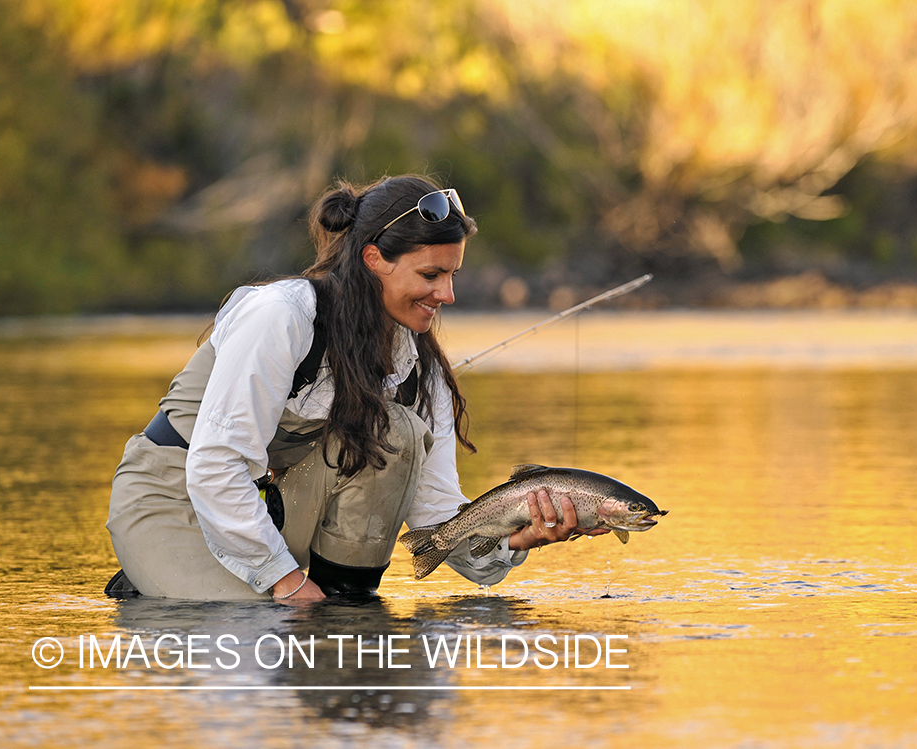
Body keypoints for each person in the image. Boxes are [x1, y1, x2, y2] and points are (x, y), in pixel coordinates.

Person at [105, 175, 590, 602]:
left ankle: (342, 602)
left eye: (452, 275)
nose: (447, 295)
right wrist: (287, 582)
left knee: (396, 432)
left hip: (269, 507)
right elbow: (215, 466)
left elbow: (436, 520)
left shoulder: (422, 369)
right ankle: (159, 574)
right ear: (374, 259)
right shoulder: (282, 315)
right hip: (175, 498)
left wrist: (513, 537)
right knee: (255, 626)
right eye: (431, 275)